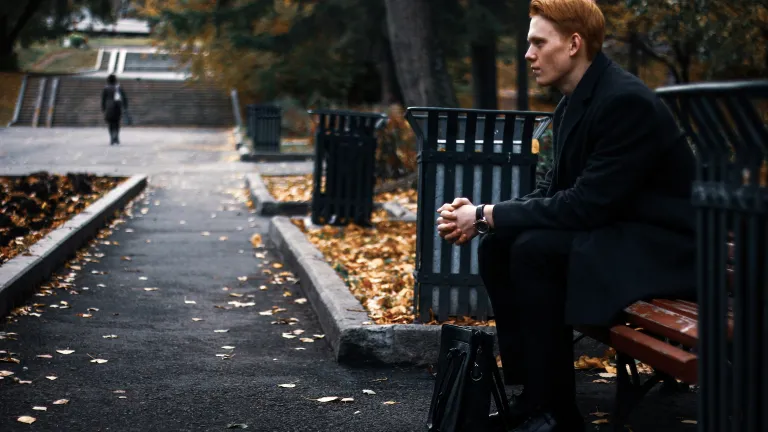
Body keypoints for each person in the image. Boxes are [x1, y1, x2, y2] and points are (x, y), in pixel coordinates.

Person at [436, 0, 696, 430]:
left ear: (574, 44)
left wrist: (485, 213)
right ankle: (535, 396)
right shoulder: (575, 102)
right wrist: (483, 219)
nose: (528, 55)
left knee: (537, 251)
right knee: (499, 245)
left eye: (538, 43)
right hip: (620, 234)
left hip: (666, 250)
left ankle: (556, 412)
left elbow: (585, 206)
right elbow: (553, 192)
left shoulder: (623, 101)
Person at [101, 74, 129, 145]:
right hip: (117, 107)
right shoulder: (118, 88)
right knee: (117, 123)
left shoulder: (106, 88)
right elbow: (124, 98)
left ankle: (112, 138)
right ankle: (116, 137)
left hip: (109, 108)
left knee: (110, 123)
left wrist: (103, 108)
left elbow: (103, 100)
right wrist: (125, 107)